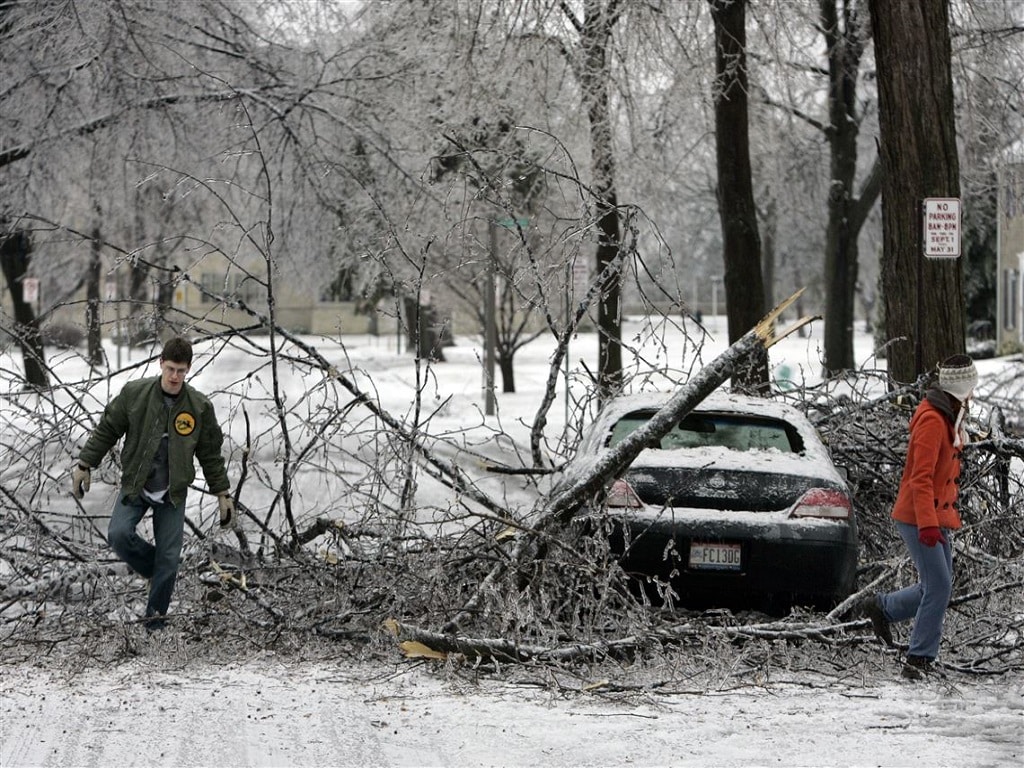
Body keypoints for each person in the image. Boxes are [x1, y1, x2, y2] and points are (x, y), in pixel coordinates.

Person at [71, 336, 234, 631]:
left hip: (172, 492)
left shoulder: (198, 407)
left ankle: (154, 627)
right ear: (160, 364)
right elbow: (107, 429)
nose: (174, 376)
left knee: (170, 559)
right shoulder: (135, 395)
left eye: (181, 371)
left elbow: (210, 453)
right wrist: (85, 464)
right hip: (137, 484)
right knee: (119, 534)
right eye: (170, 368)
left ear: (188, 370)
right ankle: (153, 570)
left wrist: (222, 493)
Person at [860, 354, 977, 679]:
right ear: (961, 388)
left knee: (936, 586)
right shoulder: (932, 420)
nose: (973, 395)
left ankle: (882, 607)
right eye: (971, 389)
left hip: (935, 516)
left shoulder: (950, 415)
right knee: (939, 586)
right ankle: (918, 660)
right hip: (918, 516)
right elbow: (920, 478)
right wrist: (927, 525)